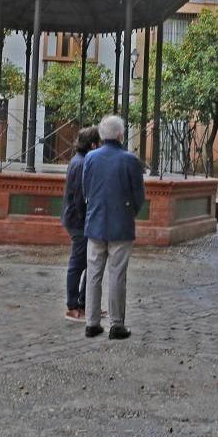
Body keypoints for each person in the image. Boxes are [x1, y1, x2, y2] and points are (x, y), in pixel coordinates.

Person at [81, 114, 145, 340]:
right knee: (117, 275)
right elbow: (139, 196)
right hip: (121, 224)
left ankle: (91, 322)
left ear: (101, 135)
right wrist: (129, 213)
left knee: (94, 274)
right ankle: (116, 324)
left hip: (96, 222)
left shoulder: (90, 158)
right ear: (121, 135)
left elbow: (86, 189)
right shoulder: (130, 160)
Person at [60, 126, 99, 321]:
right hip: (78, 221)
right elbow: (79, 197)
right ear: (93, 144)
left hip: (78, 219)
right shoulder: (81, 163)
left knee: (87, 262)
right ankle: (73, 305)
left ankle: (84, 303)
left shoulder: (79, 161)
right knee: (78, 263)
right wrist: (86, 219)